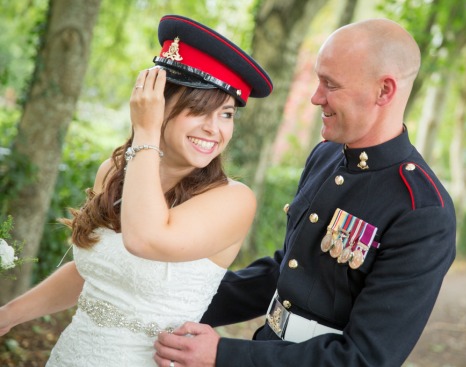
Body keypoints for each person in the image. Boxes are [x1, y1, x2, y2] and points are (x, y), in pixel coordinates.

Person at [153, 18, 456, 367]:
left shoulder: (423, 210)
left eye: (330, 84)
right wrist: (172, 301)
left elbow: (365, 358)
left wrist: (225, 355)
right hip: (267, 343)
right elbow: (285, 272)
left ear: (384, 91)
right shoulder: (326, 155)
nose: (316, 97)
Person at [0, 14, 272, 366]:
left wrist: (145, 134)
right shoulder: (113, 173)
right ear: (157, 104)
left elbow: (145, 240)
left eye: (227, 114)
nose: (213, 129)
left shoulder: (233, 200)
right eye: (197, 109)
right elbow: (94, 273)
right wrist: (7, 315)